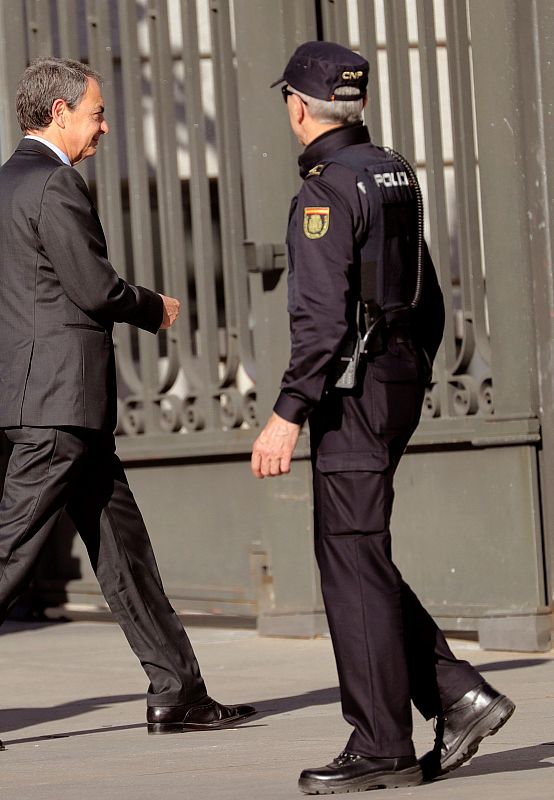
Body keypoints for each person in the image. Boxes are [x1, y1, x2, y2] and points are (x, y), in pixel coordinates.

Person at [0, 57, 254, 754]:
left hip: (56, 402)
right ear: (58, 113)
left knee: (125, 553)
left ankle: (178, 692)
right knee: (11, 554)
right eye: (95, 112)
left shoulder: (3, 184)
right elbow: (91, 288)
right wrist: (155, 305)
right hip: (59, 404)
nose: (104, 126)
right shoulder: (57, 182)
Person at [251, 41, 514, 794]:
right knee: (359, 551)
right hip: (396, 374)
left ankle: (381, 746)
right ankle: (458, 695)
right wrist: (414, 365)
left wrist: (286, 413)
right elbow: (426, 291)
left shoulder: (325, 190)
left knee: (351, 556)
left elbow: (322, 320)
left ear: (299, 107)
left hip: (353, 389)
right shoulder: (392, 168)